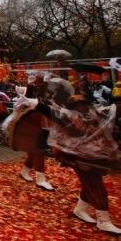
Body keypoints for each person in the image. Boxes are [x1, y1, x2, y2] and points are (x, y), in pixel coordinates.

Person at [30, 91, 121, 234]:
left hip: (94, 155)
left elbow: (113, 110)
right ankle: (104, 221)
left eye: (85, 104)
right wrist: (34, 103)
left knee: (91, 183)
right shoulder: (68, 116)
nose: (84, 107)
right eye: (79, 105)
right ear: (73, 107)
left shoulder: (93, 114)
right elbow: (51, 112)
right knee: (94, 184)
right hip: (78, 156)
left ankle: (80, 209)